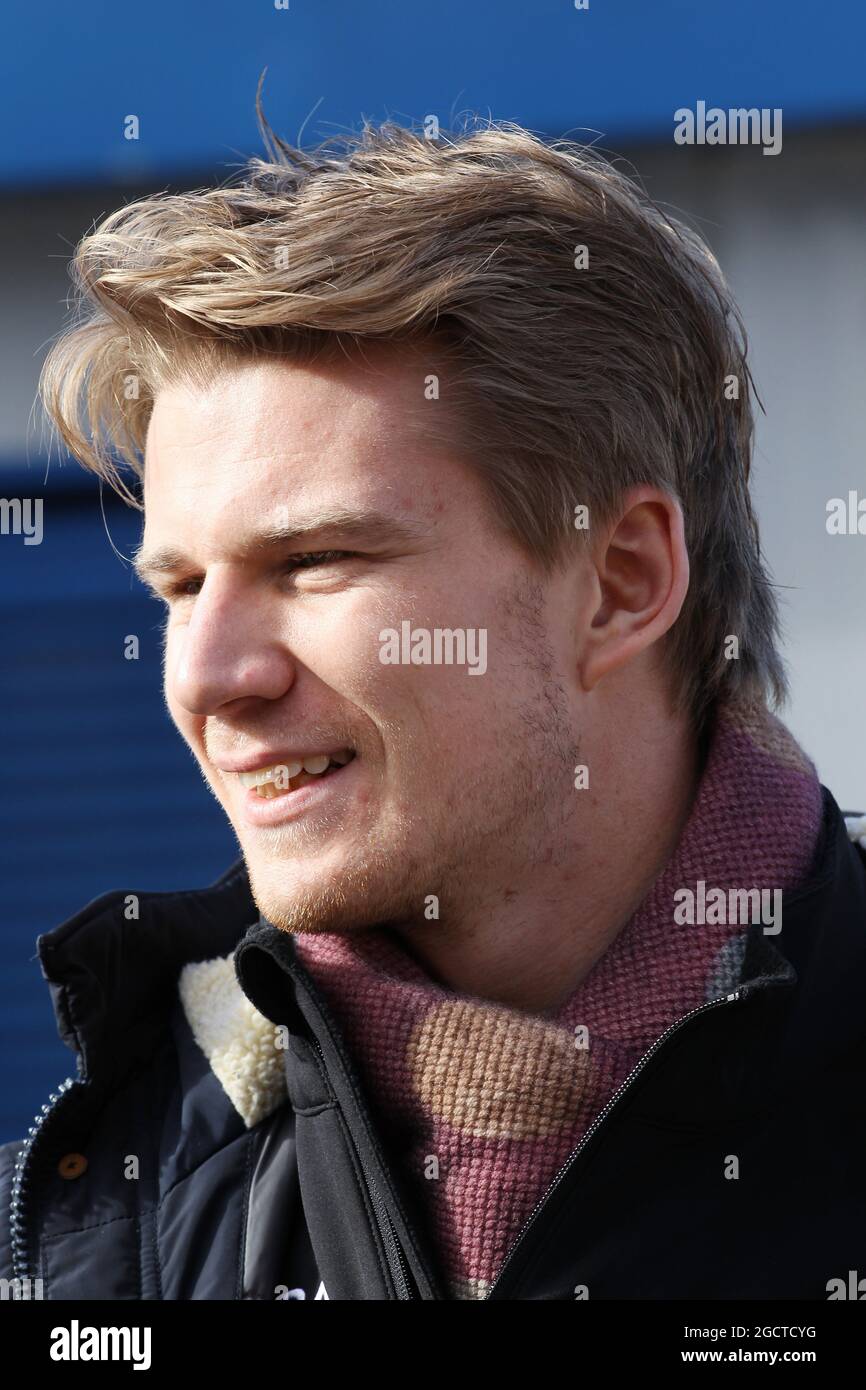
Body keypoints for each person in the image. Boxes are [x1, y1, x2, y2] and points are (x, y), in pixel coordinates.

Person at [2, 112, 864, 1302]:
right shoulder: (107, 1223)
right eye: (183, 584)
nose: (206, 676)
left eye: (315, 562)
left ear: (617, 583)